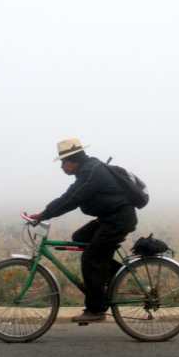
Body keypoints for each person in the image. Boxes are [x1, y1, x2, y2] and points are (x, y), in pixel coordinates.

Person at [27, 138, 137, 324]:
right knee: (80, 238)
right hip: (110, 218)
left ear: (73, 159)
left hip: (117, 220)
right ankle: (113, 274)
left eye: (63, 162)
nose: (61, 167)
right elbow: (69, 195)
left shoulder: (91, 173)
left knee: (90, 258)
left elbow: (71, 199)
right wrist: (44, 213)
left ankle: (96, 309)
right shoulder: (87, 170)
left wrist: (43, 215)